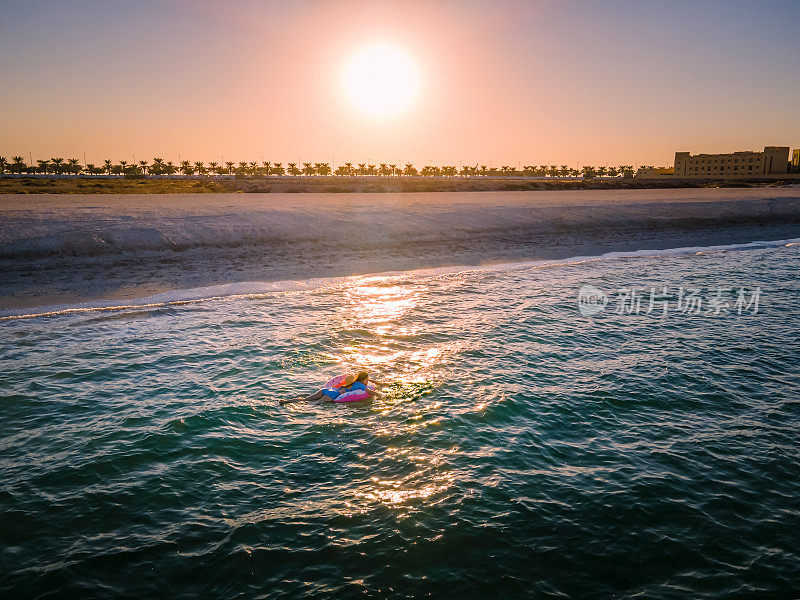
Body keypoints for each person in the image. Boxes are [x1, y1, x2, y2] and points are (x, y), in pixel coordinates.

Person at [280, 371, 382, 405]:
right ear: (363, 380)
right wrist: (380, 395)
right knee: (312, 404)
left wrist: (377, 383)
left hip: (328, 390)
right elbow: (369, 391)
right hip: (334, 395)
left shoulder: (354, 382)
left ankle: (286, 401)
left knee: (307, 399)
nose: (368, 381)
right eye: (367, 380)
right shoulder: (361, 385)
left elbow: (368, 382)